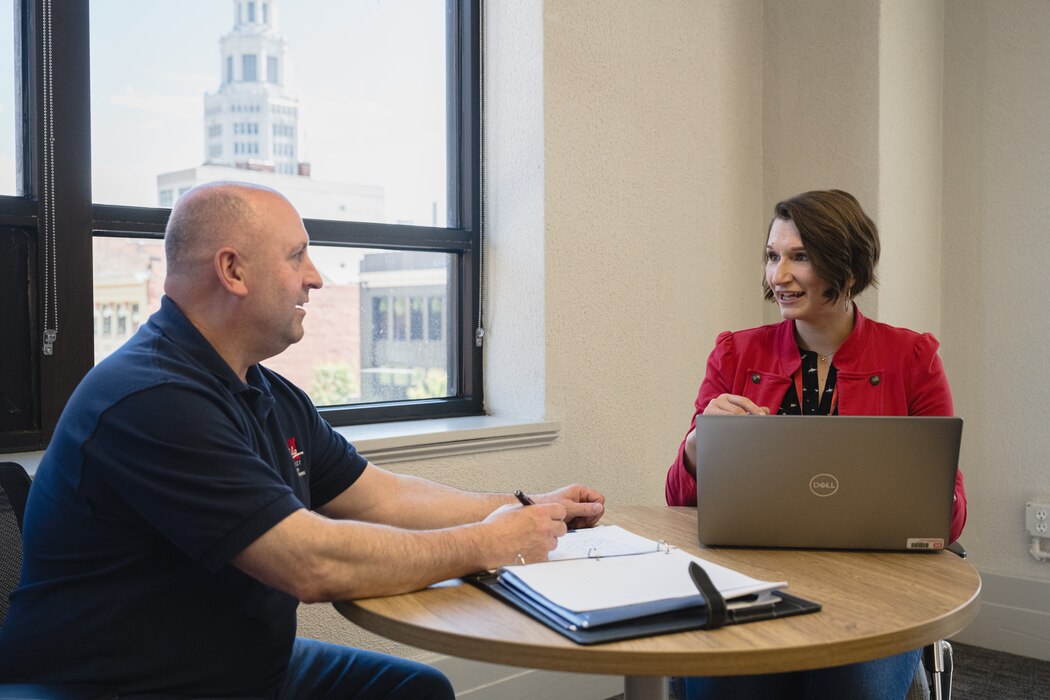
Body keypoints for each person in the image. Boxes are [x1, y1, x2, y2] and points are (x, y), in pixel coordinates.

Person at [0, 182, 606, 699]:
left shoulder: (266, 391)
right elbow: (312, 564)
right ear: (232, 270)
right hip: (118, 686)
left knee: (418, 690)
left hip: (237, 669)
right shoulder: (150, 399)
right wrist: (488, 542)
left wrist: (531, 509)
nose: (315, 278)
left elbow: (382, 497)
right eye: (297, 257)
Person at [665, 189, 967, 700]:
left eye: (799, 257)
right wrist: (699, 443)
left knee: (849, 685)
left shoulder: (913, 357)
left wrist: (920, 495)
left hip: (877, 585)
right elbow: (679, 500)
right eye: (772, 256)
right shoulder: (736, 353)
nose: (778, 276)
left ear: (846, 267)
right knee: (722, 684)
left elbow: (952, 515)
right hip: (751, 577)